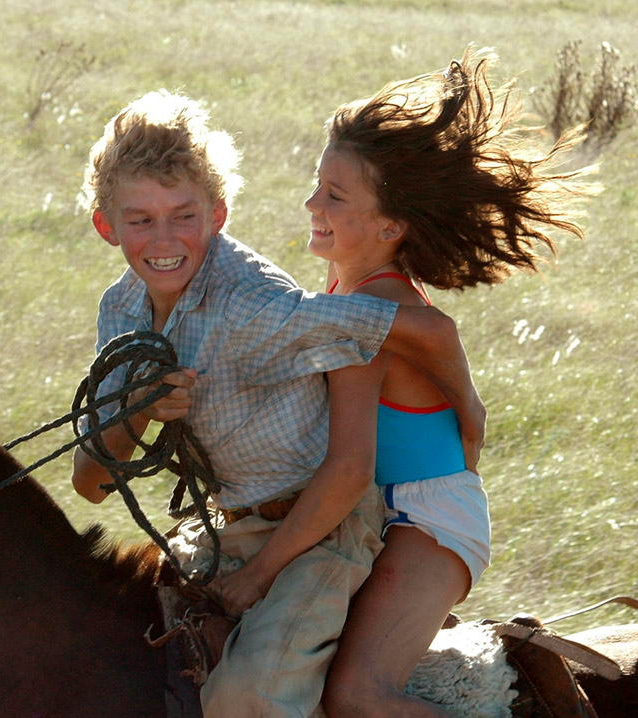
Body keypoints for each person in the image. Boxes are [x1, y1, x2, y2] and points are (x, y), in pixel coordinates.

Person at [69, 89, 486, 718]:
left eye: (183, 215)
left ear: (217, 214)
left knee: (259, 698)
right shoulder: (120, 310)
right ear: (107, 225)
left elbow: (423, 336)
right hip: (233, 522)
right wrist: (140, 409)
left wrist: (469, 412)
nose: (163, 238)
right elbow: (90, 481)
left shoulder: (258, 303)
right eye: (140, 219)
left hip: (329, 526)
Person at [310, 49, 598, 718]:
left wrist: (467, 399)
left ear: (390, 226)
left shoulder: (379, 304)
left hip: (428, 520)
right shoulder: (347, 287)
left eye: (334, 195)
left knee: (355, 695)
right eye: (316, 183)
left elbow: (437, 334)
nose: (311, 203)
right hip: (383, 511)